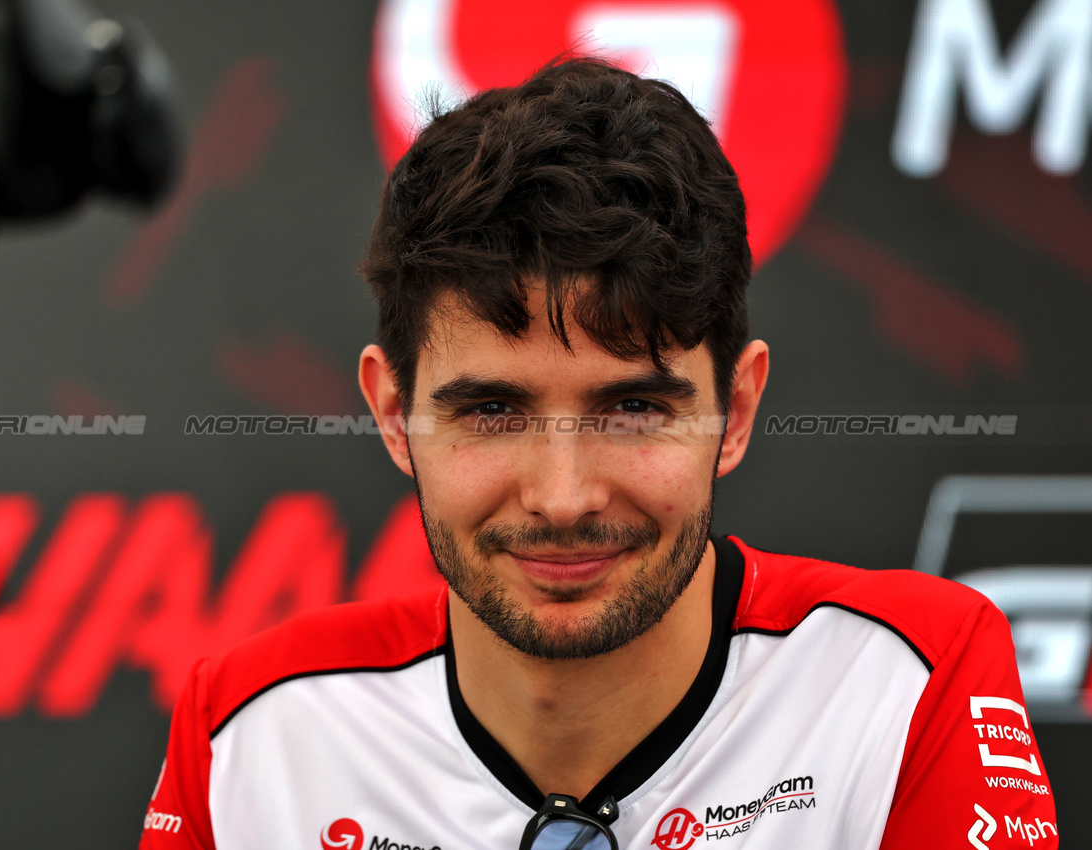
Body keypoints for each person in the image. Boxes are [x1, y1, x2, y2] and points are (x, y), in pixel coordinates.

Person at [140, 58, 1057, 850]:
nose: (563, 496)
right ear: (393, 414)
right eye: (493, 411)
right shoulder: (249, 729)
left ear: (733, 412)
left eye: (632, 409)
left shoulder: (902, 678)